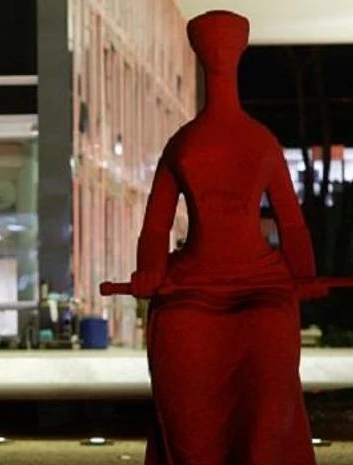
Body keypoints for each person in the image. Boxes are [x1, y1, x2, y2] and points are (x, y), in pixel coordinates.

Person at [130, 11, 324, 465]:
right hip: (192, 284)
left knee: (270, 337)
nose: (218, 54)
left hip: (260, 282)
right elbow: (155, 226)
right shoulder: (182, 144)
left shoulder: (261, 143)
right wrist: (151, 270)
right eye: (211, 47)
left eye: (226, 46)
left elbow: (292, 222)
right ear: (201, 55)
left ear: (238, 54)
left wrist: (305, 274)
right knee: (177, 336)